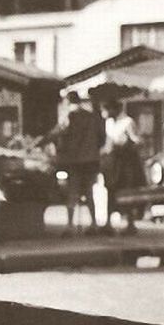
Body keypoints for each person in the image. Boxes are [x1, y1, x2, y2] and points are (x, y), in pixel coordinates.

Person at [55, 91, 106, 236]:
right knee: (89, 192)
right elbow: (101, 138)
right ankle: (94, 224)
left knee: (73, 192)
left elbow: (60, 136)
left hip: (74, 159)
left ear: (67, 101)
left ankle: (70, 226)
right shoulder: (91, 117)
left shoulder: (68, 116)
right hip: (91, 159)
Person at [102, 100, 146, 235]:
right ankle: (108, 224)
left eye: (107, 109)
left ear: (113, 109)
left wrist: (127, 144)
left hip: (126, 161)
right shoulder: (108, 123)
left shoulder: (127, 122)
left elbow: (137, 140)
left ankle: (130, 223)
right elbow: (108, 142)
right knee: (110, 190)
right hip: (112, 160)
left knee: (127, 191)